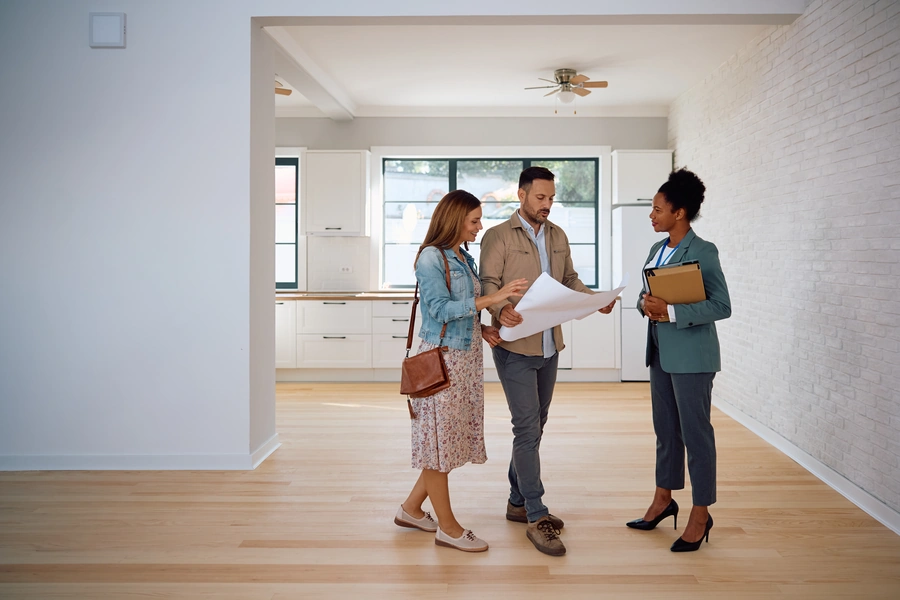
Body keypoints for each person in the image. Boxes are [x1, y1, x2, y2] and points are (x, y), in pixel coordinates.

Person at [479, 166, 616, 556]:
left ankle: (516, 501)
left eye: (551, 198)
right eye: (540, 197)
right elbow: (488, 284)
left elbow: (569, 278)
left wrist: (593, 299)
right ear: (521, 195)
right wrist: (501, 309)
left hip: (549, 345)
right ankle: (536, 515)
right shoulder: (497, 236)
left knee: (535, 427)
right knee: (526, 429)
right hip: (514, 347)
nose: (547, 204)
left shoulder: (557, 235)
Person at [394, 190, 528, 553]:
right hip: (441, 361)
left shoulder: (462, 257)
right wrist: (494, 299)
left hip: (464, 359)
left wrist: (480, 328)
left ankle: (410, 510)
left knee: (447, 441)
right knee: (438, 446)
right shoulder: (430, 257)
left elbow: (460, 310)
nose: (479, 226)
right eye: (474, 220)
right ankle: (449, 529)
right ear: (454, 220)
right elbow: (439, 310)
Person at [625, 168, 731, 552]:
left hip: (693, 357)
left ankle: (701, 514)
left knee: (696, 435)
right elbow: (644, 296)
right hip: (660, 353)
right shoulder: (658, 249)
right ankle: (662, 499)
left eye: (658, 209)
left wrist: (670, 312)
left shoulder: (703, 251)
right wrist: (646, 305)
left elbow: (721, 305)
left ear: (679, 212)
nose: (651, 215)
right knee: (666, 432)